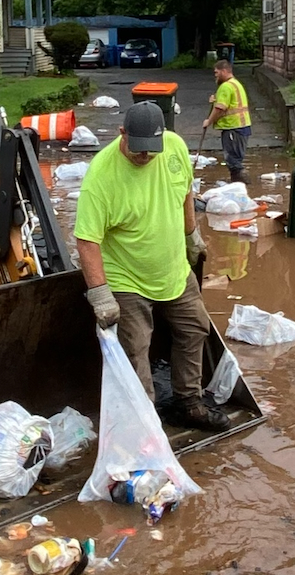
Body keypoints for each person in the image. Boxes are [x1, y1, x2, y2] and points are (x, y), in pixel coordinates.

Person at [73, 99, 222, 428]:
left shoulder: (174, 149)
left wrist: (191, 236)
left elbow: (184, 192)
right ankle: (145, 426)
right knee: (136, 347)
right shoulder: (101, 177)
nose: (145, 156)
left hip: (173, 270)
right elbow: (86, 240)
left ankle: (188, 401)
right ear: (122, 134)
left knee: (195, 328)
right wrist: (100, 294)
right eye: (138, 149)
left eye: (151, 149)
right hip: (128, 278)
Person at [204, 56, 251, 183]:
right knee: (236, 159)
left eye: (216, 73)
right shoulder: (236, 84)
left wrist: (209, 121)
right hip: (241, 127)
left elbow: (221, 108)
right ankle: (239, 185)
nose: (216, 76)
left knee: (233, 161)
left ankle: (241, 186)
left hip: (233, 128)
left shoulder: (225, 86)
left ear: (224, 71)